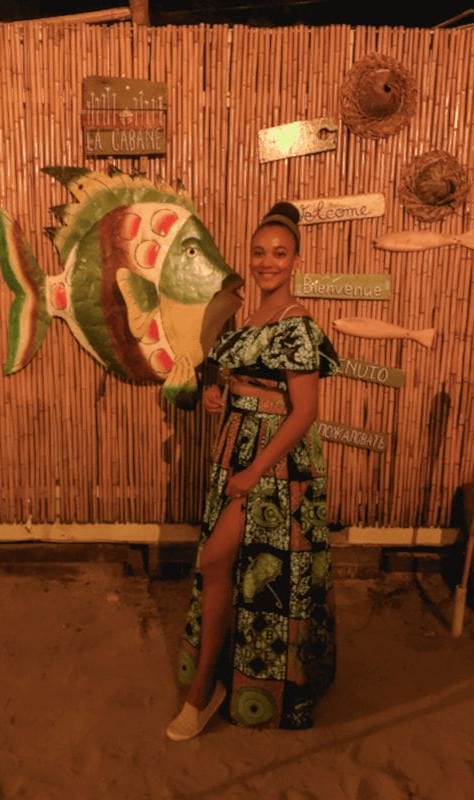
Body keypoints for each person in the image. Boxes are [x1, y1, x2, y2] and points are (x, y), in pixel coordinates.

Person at [166, 201, 339, 741]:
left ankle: (204, 695)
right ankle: (218, 678)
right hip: (234, 449)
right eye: (260, 253)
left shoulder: (298, 325)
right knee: (222, 567)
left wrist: (256, 472)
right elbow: (239, 379)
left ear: (296, 261)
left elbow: (305, 411)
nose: (268, 262)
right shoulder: (250, 320)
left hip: (275, 463)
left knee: (224, 561)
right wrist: (221, 393)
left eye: (279, 254)